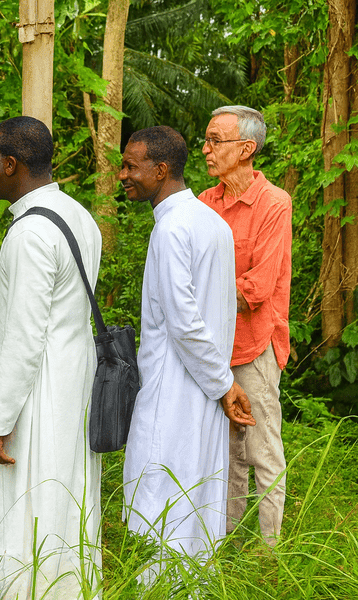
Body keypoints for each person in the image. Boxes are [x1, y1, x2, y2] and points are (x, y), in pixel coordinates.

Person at [119, 126, 256, 572]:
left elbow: (184, 322)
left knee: (162, 508)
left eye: (130, 166)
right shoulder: (211, 222)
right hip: (204, 389)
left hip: (175, 392)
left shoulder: (173, 228)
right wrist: (223, 383)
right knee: (195, 504)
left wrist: (223, 384)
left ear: (160, 171)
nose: (123, 175)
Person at [0, 116, 102, 599]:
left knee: (27, 499)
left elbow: (23, 338)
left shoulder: (29, 234)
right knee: (68, 496)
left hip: (41, 387)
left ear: (11, 165)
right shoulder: (80, 216)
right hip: (75, 374)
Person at [199, 106, 292, 547]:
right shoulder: (204, 202)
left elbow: (259, 286)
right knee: (226, 452)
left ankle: (272, 557)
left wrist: (201, 292)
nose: (206, 149)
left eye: (216, 140)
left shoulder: (274, 203)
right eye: (206, 139)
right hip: (214, 348)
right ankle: (229, 547)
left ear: (246, 148)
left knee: (261, 448)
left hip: (254, 345)